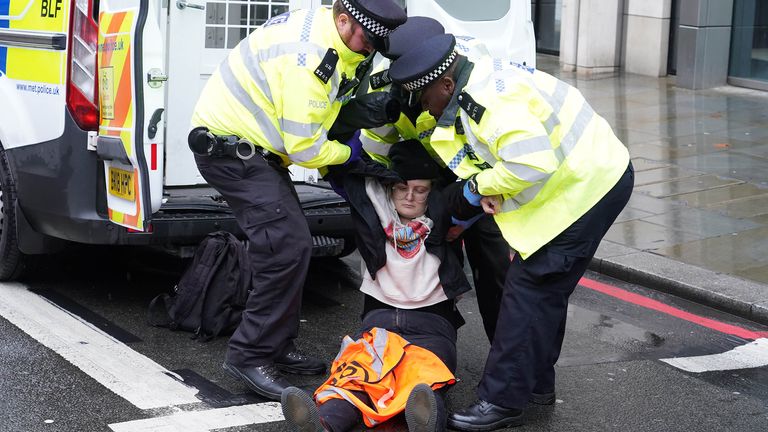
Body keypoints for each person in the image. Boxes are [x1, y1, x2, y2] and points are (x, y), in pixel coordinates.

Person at [388, 34, 634, 430]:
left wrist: (478, 187)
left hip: (587, 187)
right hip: (593, 175)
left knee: (529, 289)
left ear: (447, 85)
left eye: (423, 97)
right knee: (547, 289)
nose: (423, 107)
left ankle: (501, 401)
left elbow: (531, 164)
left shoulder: (487, 103)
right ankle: (536, 385)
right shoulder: (473, 78)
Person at [187, 0, 406, 402]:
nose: (370, 49)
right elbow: (305, 147)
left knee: (290, 244)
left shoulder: (334, 33)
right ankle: (250, 353)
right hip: (231, 151)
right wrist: (350, 156)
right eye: (367, 39)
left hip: (254, 150)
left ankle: (276, 343)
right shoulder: (310, 58)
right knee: (286, 246)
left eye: (377, 42)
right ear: (343, 19)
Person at [281, 142, 473, 432]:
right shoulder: (374, 218)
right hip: (379, 324)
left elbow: (475, 192)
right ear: (389, 189)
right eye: (401, 188)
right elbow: (348, 168)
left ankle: (424, 423)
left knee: (421, 378)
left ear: (431, 193)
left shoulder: (444, 222)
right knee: (356, 374)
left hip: (431, 326)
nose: (409, 196)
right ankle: (324, 424)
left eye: (420, 190)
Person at [358, 17, 510, 342]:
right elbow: (378, 151)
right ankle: (423, 337)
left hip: (478, 176)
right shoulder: (384, 86)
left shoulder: (474, 74)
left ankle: (506, 361)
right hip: (423, 180)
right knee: (422, 261)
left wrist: (465, 219)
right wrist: (393, 202)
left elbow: (495, 163)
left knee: (494, 272)